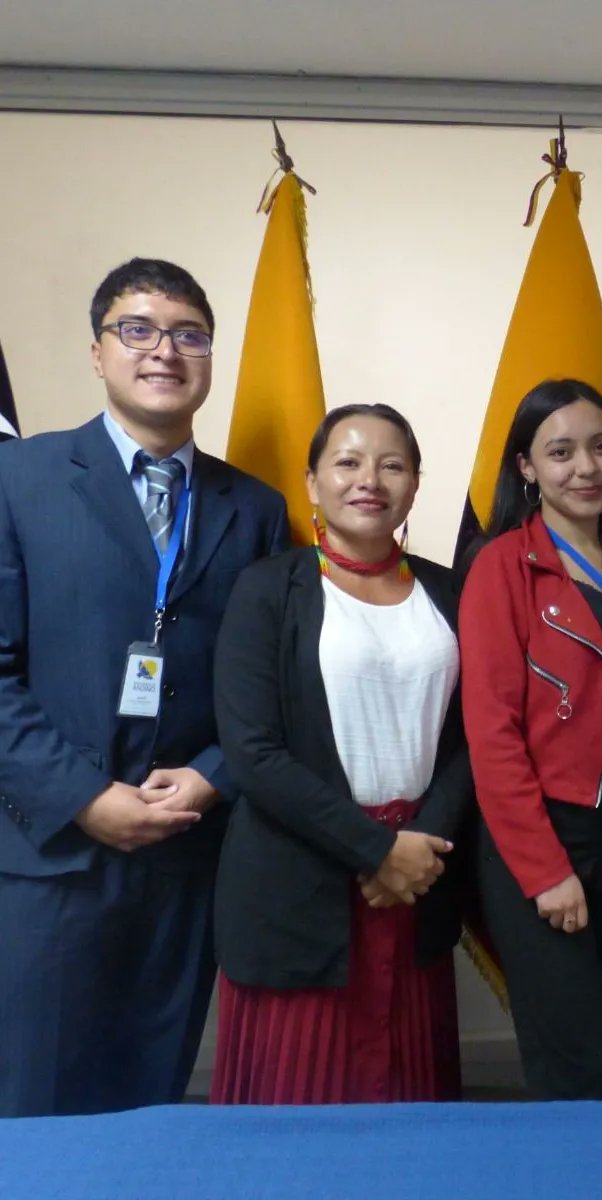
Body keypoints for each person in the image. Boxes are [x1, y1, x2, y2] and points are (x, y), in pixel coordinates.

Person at [0, 258, 289, 1116]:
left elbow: (270, 685)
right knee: (34, 1109)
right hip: (51, 856)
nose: (165, 350)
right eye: (139, 328)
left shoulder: (256, 507)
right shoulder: (21, 479)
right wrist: (86, 796)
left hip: (186, 852)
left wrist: (212, 775)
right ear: (98, 352)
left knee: (151, 1106)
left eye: (190, 334)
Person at [210, 403, 472, 1104]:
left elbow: (478, 736)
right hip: (300, 884)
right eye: (348, 462)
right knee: (296, 1125)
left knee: (407, 1119)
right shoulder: (268, 589)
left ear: (415, 485)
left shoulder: (452, 591)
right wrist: (374, 850)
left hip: (418, 877)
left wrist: (415, 846)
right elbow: (253, 751)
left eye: (393, 465)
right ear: (313, 482)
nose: (370, 480)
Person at [459, 378, 602, 1099]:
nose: (587, 468)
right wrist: (544, 869)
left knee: (598, 1040)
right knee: (577, 1068)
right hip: (542, 839)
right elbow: (491, 736)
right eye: (561, 451)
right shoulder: (501, 568)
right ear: (526, 467)